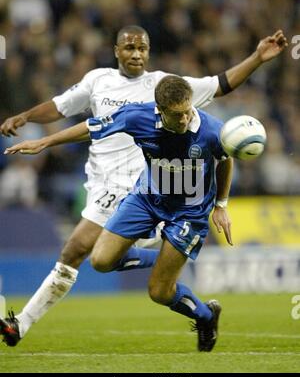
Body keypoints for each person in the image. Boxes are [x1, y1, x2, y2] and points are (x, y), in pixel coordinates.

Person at [0, 25, 287, 347]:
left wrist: (258, 58)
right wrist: (38, 134)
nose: (136, 54)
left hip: (152, 189)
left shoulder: (180, 96)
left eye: (142, 48)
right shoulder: (110, 90)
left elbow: (221, 88)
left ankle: (21, 324)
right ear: (116, 50)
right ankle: (168, 253)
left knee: (109, 266)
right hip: (128, 188)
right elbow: (74, 116)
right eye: (129, 48)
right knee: (98, 259)